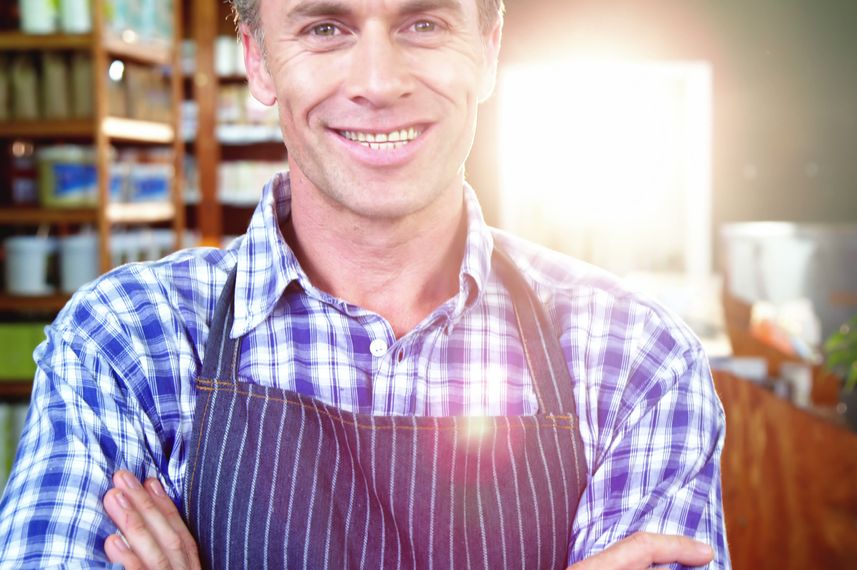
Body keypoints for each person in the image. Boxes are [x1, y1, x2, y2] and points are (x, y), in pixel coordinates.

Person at [0, 0, 730, 567]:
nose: (379, 83)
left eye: (423, 22)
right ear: (258, 61)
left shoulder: (637, 360)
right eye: (324, 27)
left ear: (489, 49)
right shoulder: (126, 343)